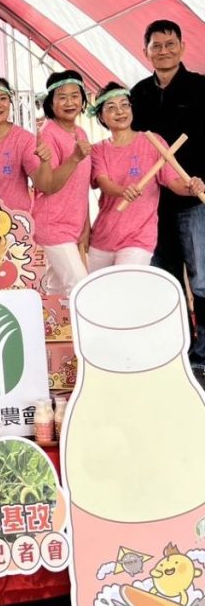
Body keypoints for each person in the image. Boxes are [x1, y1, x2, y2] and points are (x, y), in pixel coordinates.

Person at [130, 19, 205, 378]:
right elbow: (130, 144)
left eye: (170, 44)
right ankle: (177, 350)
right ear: (145, 51)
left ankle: (203, 354)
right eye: (156, 45)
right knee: (166, 279)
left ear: (182, 47)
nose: (164, 51)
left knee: (202, 279)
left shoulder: (201, 88)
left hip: (194, 198)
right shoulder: (138, 94)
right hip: (153, 205)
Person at [89, 82, 204, 272]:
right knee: (97, 289)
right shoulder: (97, 150)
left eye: (124, 105)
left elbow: (174, 182)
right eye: (111, 107)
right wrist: (123, 191)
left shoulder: (153, 142)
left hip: (139, 238)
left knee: (125, 283)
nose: (120, 111)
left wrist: (192, 187)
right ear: (101, 116)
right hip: (103, 236)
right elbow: (103, 182)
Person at [31, 70, 93, 296]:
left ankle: (50, 320)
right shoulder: (47, 134)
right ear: (50, 102)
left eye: (75, 96)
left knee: (57, 294)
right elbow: (48, 185)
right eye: (62, 97)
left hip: (73, 225)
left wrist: (85, 225)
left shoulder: (81, 133)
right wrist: (74, 157)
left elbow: (82, 185)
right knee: (81, 288)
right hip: (54, 225)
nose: (70, 102)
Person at [0, 76, 51, 213]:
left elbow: (42, 185)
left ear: (10, 103)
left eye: (3, 98)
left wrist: (45, 162)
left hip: (15, 223)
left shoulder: (24, 139)